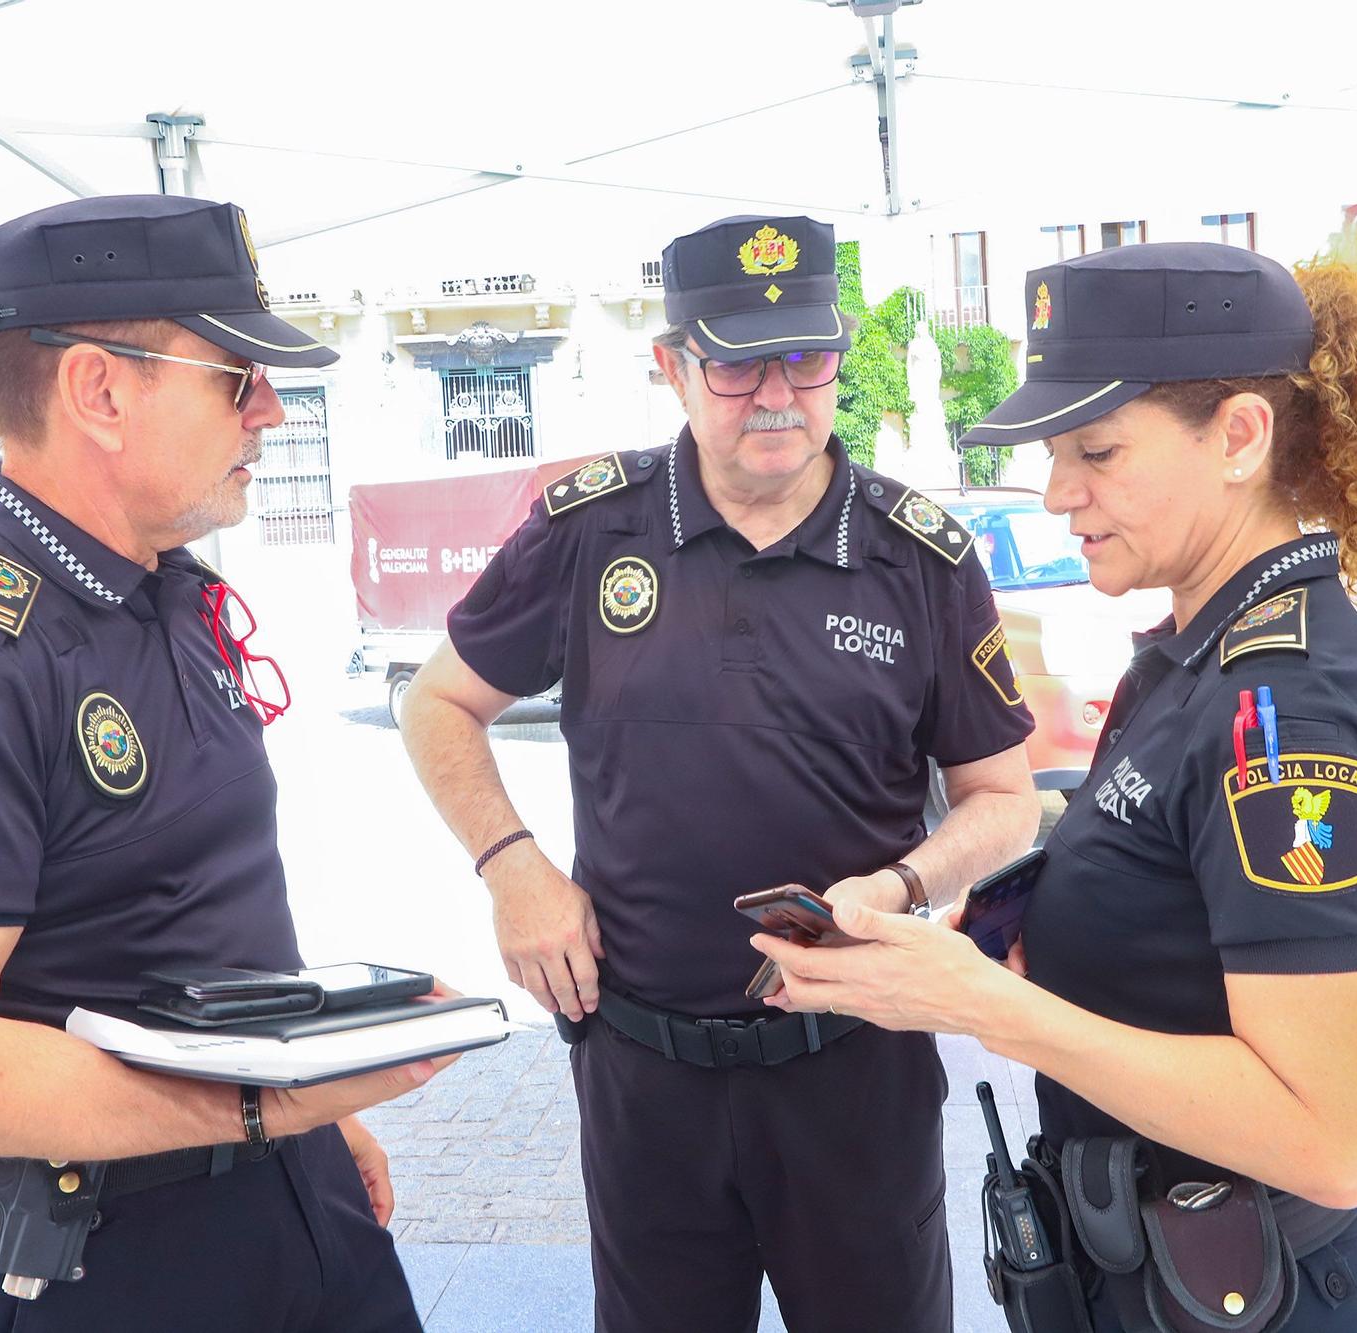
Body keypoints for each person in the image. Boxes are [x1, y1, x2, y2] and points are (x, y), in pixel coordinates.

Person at [754, 236, 1357, 1331]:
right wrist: (990, 923)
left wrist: (984, 1007)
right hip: (1170, 1259)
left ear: (1239, 438)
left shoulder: (1283, 715)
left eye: (1097, 451)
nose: (1058, 491)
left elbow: (1329, 1140)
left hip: (1258, 1283)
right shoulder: (1195, 655)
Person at [0, 195, 451, 1333]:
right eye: (234, 376)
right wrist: (264, 1101)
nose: (271, 407)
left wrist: (308, 1112)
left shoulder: (162, 588)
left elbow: (189, 904)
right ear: (99, 391)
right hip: (98, 1269)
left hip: (282, 1208)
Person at [398, 214, 1044, 1331]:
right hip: (644, 1075)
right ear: (673, 367)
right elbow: (437, 701)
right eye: (739, 364)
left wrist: (898, 885)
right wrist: (514, 871)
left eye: (806, 357)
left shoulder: (918, 557)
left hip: (856, 1072)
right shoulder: (590, 531)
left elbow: (1004, 798)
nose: (778, 394)